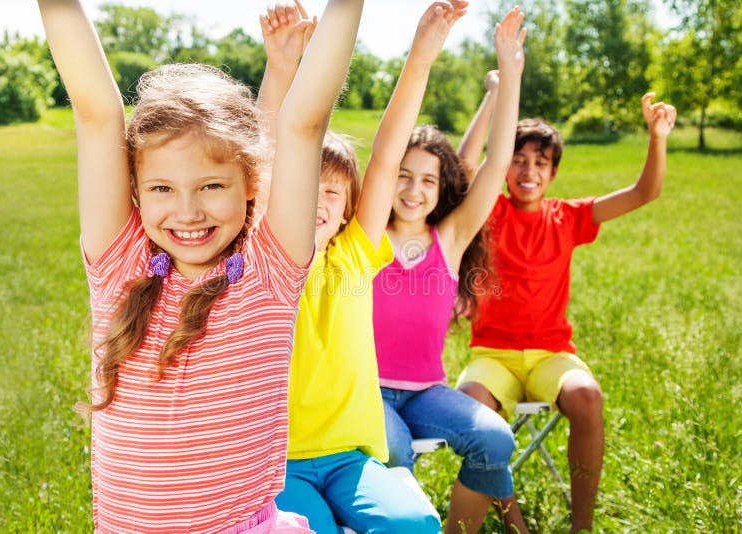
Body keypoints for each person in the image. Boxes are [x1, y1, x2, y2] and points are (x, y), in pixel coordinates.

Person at [36, 0, 364, 531]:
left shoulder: (268, 277)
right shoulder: (119, 269)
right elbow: (96, 111)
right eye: (162, 188)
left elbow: (305, 123)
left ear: (252, 185)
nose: (187, 211)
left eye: (211, 186)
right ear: (136, 192)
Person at [257, 2, 467, 532]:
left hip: (353, 458)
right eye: (303, 186)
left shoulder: (355, 253)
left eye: (330, 191)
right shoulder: (268, 259)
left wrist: (421, 54)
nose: (314, 199)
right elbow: (263, 161)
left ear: (348, 207)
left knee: (417, 523)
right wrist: (281, 69)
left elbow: (387, 155)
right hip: (280, 465)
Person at [457, 93, 677, 532]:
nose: (529, 171)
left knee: (587, 395)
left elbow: (643, 193)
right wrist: (492, 98)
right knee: (472, 405)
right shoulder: (490, 210)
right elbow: (464, 168)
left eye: (540, 163)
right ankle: (513, 521)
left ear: (554, 173)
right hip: (492, 355)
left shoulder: (569, 217)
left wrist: (657, 137)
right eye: (517, 160)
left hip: (550, 355)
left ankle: (582, 526)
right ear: (502, 167)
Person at [371, 8, 528, 534]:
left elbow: (496, 157)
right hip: (366, 389)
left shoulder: (451, 239)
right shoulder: (366, 234)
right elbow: (382, 153)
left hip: (426, 391)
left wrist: (510, 75)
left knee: (495, 439)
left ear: (442, 191)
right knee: (393, 451)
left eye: (429, 182)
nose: (414, 191)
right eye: (403, 176)